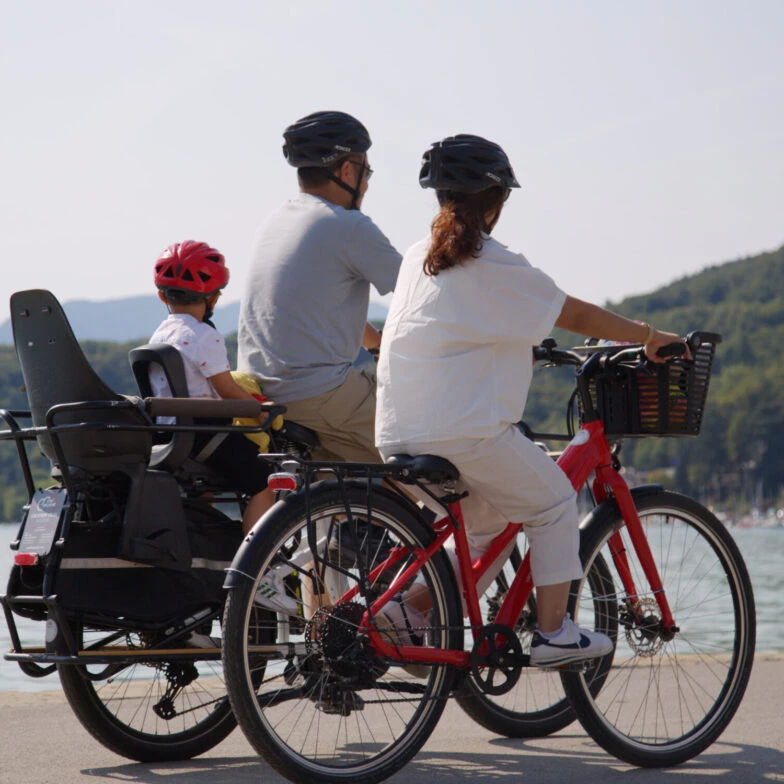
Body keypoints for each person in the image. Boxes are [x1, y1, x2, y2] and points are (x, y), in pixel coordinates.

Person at [375, 135, 686, 668]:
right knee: (553, 502)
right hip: (464, 434)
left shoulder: (416, 259)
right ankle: (553, 634)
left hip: (395, 434)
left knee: (491, 523)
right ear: (495, 203)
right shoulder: (492, 261)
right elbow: (578, 316)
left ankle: (407, 610)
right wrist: (648, 336)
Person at [237, 110, 402, 463]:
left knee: (361, 487)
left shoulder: (277, 221)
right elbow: (422, 294)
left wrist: (378, 345)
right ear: (346, 171)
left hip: (265, 393)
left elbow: (315, 311)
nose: (368, 183)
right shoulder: (348, 226)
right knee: (430, 441)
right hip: (320, 392)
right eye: (366, 172)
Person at [150, 240, 276, 538]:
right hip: (205, 435)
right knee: (265, 482)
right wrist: (259, 410)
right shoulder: (204, 334)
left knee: (208, 487)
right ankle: (258, 564)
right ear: (214, 299)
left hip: (169, 435)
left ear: (160, 296)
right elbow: (227, 388)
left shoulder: (160, 333)